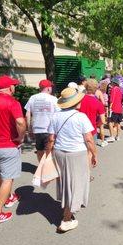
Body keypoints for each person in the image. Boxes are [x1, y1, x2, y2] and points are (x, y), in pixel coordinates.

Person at [47, 87, 97, 233]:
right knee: (75, 184)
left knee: (65, 182)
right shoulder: (81, 117)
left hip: (59, 153)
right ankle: (66, 218)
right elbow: (89, 139)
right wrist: (94, 154)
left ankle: (67, 208)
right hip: (76, 154)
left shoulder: (55, 116)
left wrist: (48, 155)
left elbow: (51, 139)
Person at [0, 75, 26, 223]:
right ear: (9, 87)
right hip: (8, 145)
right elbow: (21, 122)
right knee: (7, 178)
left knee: (0, 174)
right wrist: (20, 137)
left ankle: (9, 197)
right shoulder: (12, 102)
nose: (14, 87)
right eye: (13, 85)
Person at [25, 79, 58, 161]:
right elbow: (58, 115)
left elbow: (27, 114)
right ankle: (48, 170)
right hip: (50, 129)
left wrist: (29, 129)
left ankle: (41, 167)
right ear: (48, 88)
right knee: (50, 150)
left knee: (39, 150)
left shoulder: (33, 98)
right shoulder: (53, 99)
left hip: (37, 129)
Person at [79, 79, 106, 146]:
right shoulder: (98, 103)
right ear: (96, 88)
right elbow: (103, 120)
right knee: (91, 152)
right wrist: (97, 125)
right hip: (92, 130)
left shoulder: (79, 99)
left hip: (79, 129)